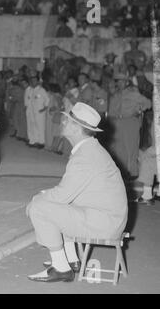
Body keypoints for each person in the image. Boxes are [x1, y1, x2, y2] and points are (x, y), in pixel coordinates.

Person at [26, 102, 128, 282]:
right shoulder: (89, 149)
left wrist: (37, 197)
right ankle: (72, 260)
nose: (63, 123)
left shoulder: (85, 156)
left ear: (77, 128)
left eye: (67, 121)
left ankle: (60, 267)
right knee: (53, 204)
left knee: (39, 207)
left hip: (104, 224)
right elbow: (69, 193)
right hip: (106, 218)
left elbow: (62, 195)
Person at [108, 73, 151, 180]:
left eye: (121, 81)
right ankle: (122, 171)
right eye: (117, 81)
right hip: (118, 122)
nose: (119, 83)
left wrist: (139, 110)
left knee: (131, 147)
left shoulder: (133, 93)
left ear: (126, 82)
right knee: (119, 148)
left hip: (131, 121)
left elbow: (148, 103)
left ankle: (133, 172)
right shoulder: (117, 94)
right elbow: (112, 111)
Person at [24, 70, 49, 148]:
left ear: (38, 81)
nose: (33, 82)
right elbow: (26, 99)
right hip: (30, 111)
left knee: (40, 127)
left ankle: (41, 142)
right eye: (32, 81)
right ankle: (32, 141)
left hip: (39, 112)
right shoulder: (28, 90)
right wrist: (26, 107)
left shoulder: (42, 90)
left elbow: (47, 100)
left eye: (35, 80)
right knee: (31, 126)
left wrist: (44, 108)